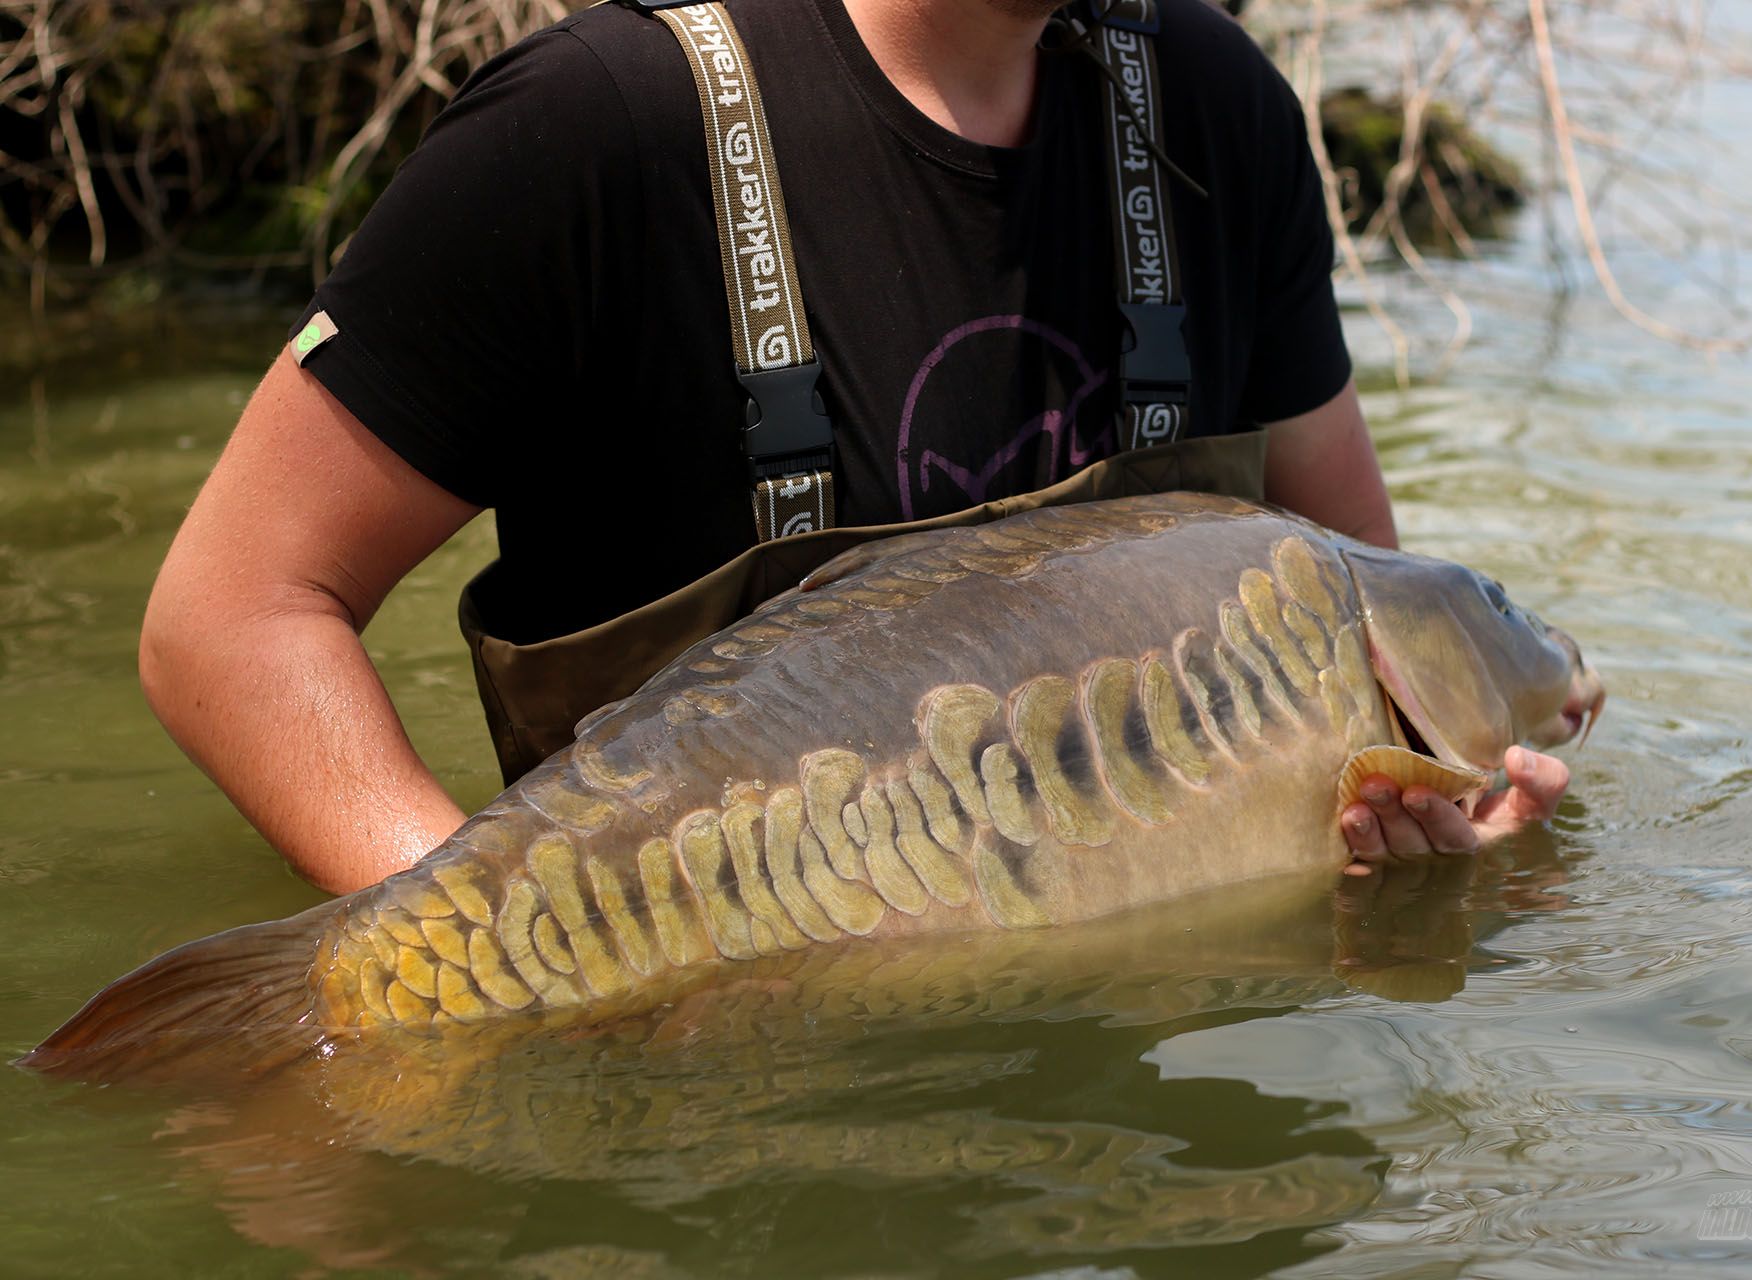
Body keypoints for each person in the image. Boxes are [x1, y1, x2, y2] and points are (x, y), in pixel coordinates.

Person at [135, 0, 1568, 896]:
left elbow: (1367, 606)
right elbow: (228, 620)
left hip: (1152, 1133)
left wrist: (1450, 850)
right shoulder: (594, 126)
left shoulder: (1218, 113)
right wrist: (493, 951)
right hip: (700, 1133)